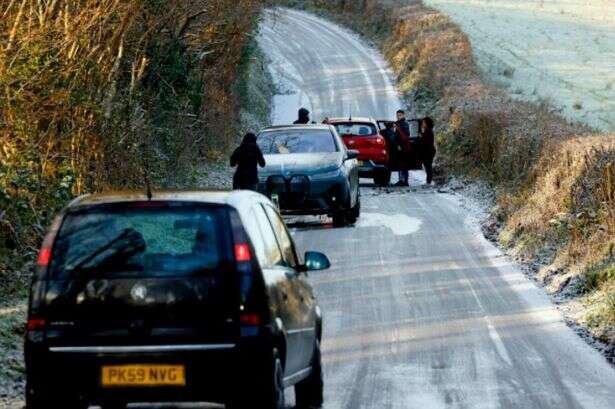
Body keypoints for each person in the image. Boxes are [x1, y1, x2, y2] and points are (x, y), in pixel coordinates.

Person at [394, 109, 411, 187]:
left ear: (403, 115)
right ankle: (402, 180)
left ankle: (405, 181)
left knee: (404, 164)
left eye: (400, 115)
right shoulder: (398, 123)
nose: (398, 116)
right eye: (397, 115)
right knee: (401, 164)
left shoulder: (404, 124)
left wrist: (399, 145)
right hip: (401, 146)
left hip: (403, 147)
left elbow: (406, 135)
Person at [419, 117, 436, 186]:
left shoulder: (428, 131)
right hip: (429, 151)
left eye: (423, 122)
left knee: (428, 166)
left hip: (428, 152)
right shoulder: (428, 131)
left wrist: (421, 137)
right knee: (428, 166)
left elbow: (425, 142)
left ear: (426, 123)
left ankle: (429, 182)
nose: (422, 124)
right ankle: (428, 181)